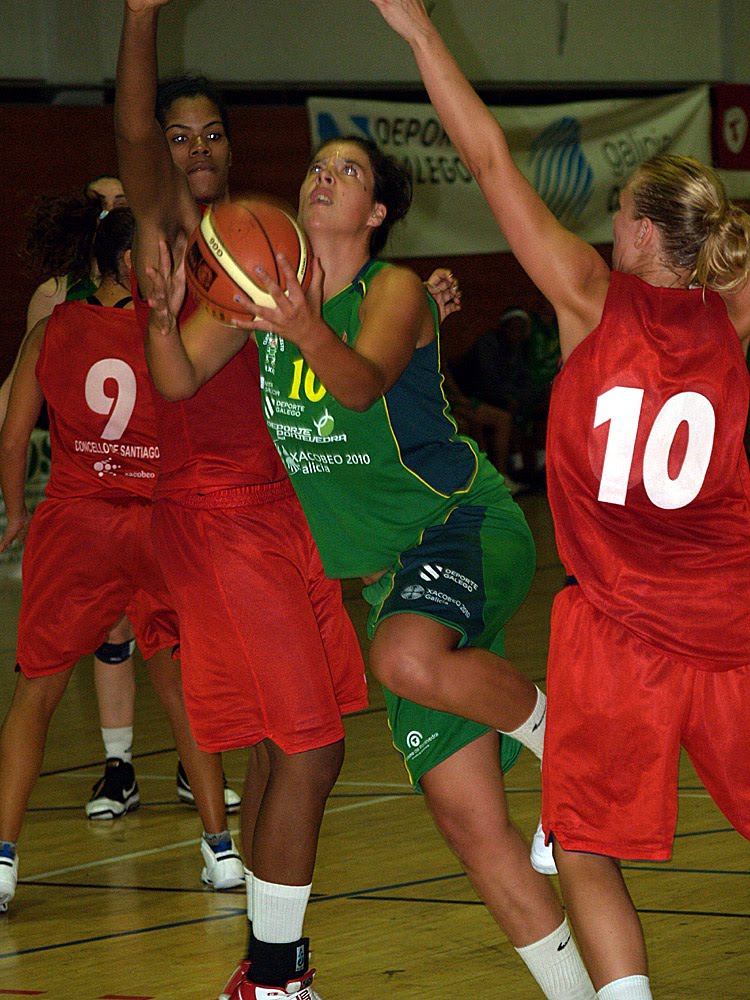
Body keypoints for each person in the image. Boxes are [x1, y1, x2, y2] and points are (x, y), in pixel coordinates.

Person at [148, 128, 594, 997]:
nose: (324, 177)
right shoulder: (263, 295)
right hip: (398, 580)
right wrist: (166, 320)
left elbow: (357, 384)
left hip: (462, 524)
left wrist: (302, 325)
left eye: (347, 172)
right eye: (318, 166)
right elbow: (176, 378)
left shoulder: (395, 291)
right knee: (471, 825)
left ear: (376, 212)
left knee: (400, 656)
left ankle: (571, 744)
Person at [369, 2, 750, 998]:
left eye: (620, 208)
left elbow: (489, 159)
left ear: (640, 231)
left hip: (621, 635)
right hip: (729, 627)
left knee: (579, 845)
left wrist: (421, 35)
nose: (608, 220)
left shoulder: (588, 295)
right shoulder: (733, 316)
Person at [114, 3, 369, 998]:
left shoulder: (258, 236)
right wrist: (141, 18)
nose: (197, 149)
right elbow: (134, 136)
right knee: (310, 747)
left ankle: (268, 968)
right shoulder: (173, 233)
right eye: (181, 136)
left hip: (281, 506)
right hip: (216, 514)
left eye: (212, 133)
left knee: (292, 747)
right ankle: (272, 977)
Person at [0, 208, 245, 916]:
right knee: (181, 688)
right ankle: (220, 848)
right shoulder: (172, 332)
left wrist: (15, 512)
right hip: (158, 524)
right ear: (128, 265)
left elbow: (13, 438)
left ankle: (4, 860)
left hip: (77, 523)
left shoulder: (51, 330)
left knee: (35, 694)